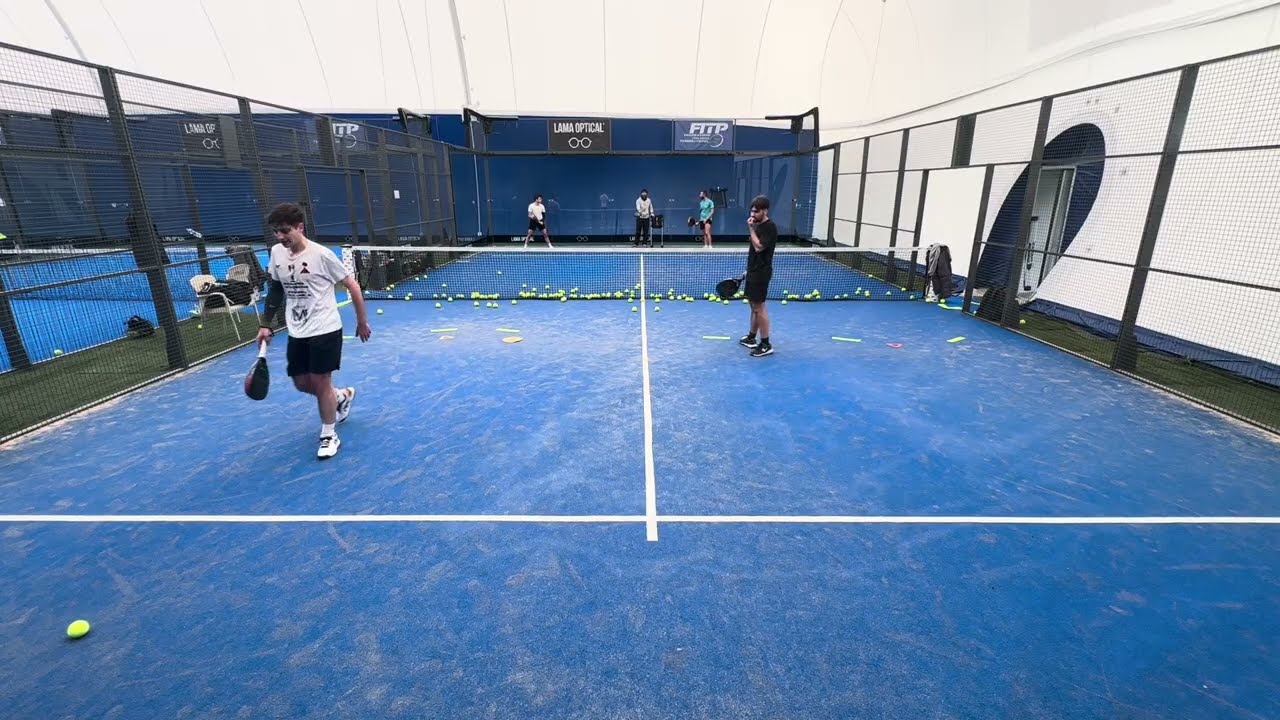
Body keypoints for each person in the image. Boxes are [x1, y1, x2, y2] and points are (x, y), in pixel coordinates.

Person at [256, 202, 372, 459]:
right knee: (302, 383)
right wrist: (266, 323)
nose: (280, 237)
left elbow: (352, 286)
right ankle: (340, 397)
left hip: (325, 327)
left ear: (300, 227)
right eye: (276, 232)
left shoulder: (322, 255)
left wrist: (362, 322)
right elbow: (275, 288)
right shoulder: (276, 253)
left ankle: (329, 435)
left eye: (285, 231)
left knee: (321, 381)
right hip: (296, 329)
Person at [738, 195, 777, 357]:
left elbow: (759, 247)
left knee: (759, 308)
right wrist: (749, 270)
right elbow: (755, 252)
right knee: (753, 306)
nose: (752, 215)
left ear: (765, 211)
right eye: (751, 211)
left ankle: (766, 343)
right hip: (754, 271)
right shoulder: (759, 226)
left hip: (761, 273)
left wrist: (751, 229)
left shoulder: (769, 227)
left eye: (756, 212)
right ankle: (752, 338)